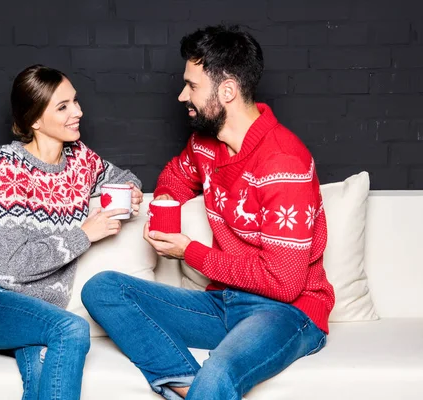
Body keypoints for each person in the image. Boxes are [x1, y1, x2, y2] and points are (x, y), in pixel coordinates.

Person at [81, 25, 335, 400]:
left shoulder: (284, 162)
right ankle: (186, 383)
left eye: (192, 86)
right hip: (224, 304)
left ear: (227, 90)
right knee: (102, 289)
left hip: (287, 313)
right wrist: (164, 209)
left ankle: (206, 387)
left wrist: (189, 252)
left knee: (220, 370)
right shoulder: (205, 145)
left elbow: (284, 283)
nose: (183, 95)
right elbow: (174, 177)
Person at [0, 64, 143, 400]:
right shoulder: (6, 166)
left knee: (43, 374)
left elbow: (124, 176)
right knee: (70, 329)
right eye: (63, 107)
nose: (78, 112)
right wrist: (85, 234)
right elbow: (12, 266)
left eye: (75, 102)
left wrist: (130, 190)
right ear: (35, 120)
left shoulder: (80, 159)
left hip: (36, 314)